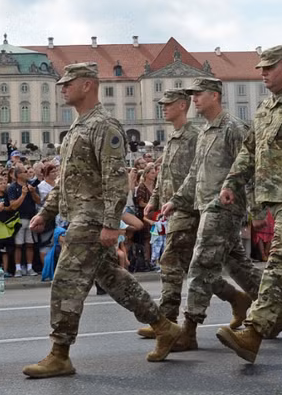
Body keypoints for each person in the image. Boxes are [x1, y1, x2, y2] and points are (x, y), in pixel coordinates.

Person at [23, 63, 182, 378]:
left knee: (66, 281)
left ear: (87, 85)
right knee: (112, 277)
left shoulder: (104, 126)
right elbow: (67, 179)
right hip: (80, 215)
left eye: (69, 83)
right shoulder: (78, 126)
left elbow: (115, 179)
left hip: (93, 218)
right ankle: (164, 327)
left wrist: (111, 223)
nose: (63, 88)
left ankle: (60, 353)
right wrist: (47, 211)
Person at [217, 44, 282, 364]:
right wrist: (232, 182)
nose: (263, 73)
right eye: (261, 68)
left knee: (280, 262)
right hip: (274, 199)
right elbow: (249, 151)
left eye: (269, 67)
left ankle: (254, 331)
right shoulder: (265, 108)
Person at [160, 78, 261, 352]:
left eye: (199, 94)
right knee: (236, 265)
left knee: (200, 265)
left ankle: (189, 330)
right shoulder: (205, 130)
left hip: (224, 207)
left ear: (215, 96)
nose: (194, 99)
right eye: (192, 95)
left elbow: (252, 168)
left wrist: (256, 209)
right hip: (205, 206)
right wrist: (176, 200)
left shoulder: (234, 128)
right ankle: (272, 313)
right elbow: (195, 173)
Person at [10, 167, 41, 276]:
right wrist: (23, 195)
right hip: (19, 219)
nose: (28, 173)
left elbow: (38, 201)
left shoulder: (32, 185)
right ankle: (18, 268)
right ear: (18, 174)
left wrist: (32, 192)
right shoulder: (13, 187)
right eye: (25, 172)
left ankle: (29, 267)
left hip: (31, 218)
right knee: (18, 245)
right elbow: (13, 206)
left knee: (30, 244)